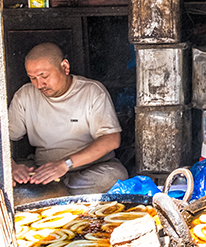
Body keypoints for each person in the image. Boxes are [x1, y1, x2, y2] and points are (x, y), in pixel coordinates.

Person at [9, 43, 128, 200]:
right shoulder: (24, 96)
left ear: (65, 67)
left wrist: (65, 164)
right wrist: (12, 166)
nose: (39, 85)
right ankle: (58, 193)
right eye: (33, 78)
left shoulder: (92, 91)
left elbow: (111, 140)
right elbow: (1, 139)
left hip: (90, 172)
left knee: (114, 177)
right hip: (43, 174)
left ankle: (55, 195)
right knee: (11, 186)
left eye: (44, 76)